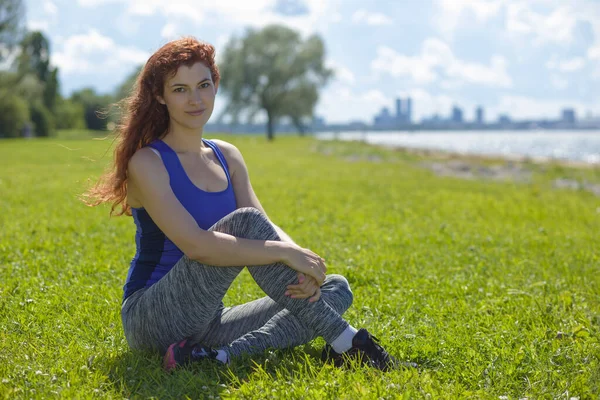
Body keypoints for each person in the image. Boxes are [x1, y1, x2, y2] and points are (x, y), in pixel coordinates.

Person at [85, 37, 406, 372]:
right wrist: (285, 253)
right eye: (180, 89)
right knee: (244, 223)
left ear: (215, 87)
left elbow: (265, 225)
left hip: (208, 320)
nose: (195, 99)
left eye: (203, 85)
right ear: (160, 96)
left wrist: (301, 265)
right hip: (152, 317)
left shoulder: (227, 156)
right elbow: (198, 246)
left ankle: (220, 356)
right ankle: (351, 344)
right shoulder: (148, 162)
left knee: (334, 289)